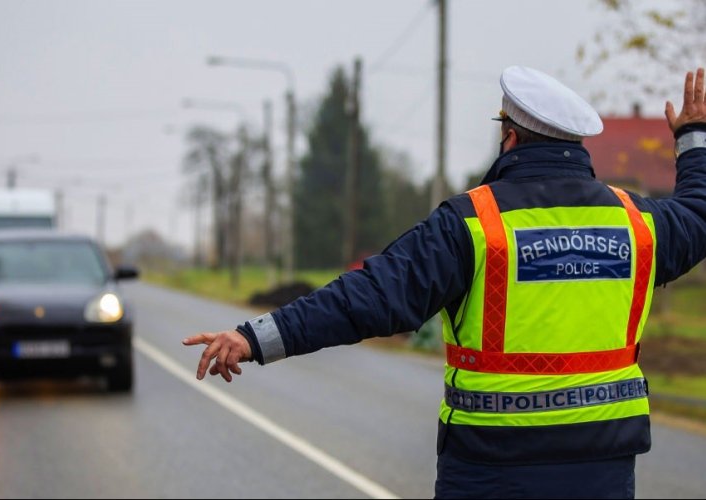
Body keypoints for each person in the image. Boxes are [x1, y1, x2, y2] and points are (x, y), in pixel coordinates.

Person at [184, 66, 706, 499]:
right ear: (577, 144)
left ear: (510, 136)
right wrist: (693, 140)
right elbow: (699, 216)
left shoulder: (475, 222)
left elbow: (367, 297)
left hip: (492, 473)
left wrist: (255, 337)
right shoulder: (636, 223)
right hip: (605, 470)